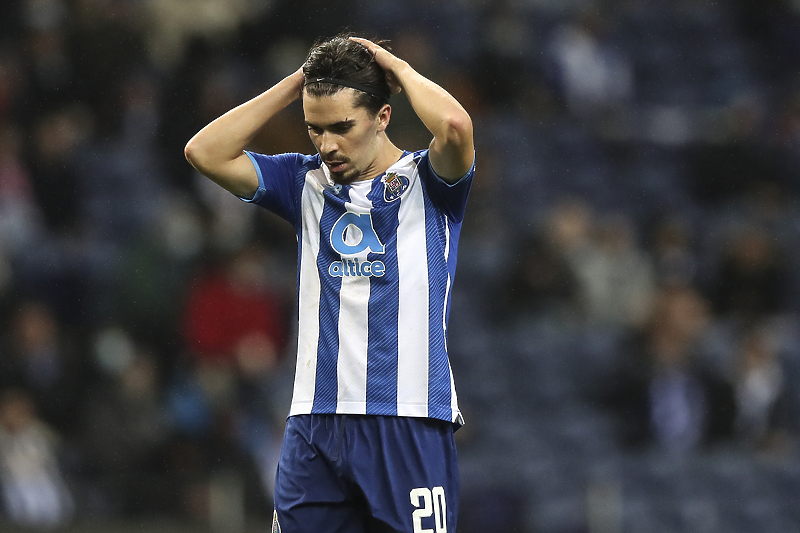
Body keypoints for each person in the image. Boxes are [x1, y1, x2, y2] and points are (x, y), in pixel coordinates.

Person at [184, 33, 474, 533]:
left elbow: (453, 124)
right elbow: (204, 151)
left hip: (406, 417)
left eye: (342, 127)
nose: (327, 145)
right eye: (315, 130)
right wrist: (297, 84)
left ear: (382, 116)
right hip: (314, 424)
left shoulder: (432, 183)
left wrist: (397, 69)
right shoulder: (303, 182)